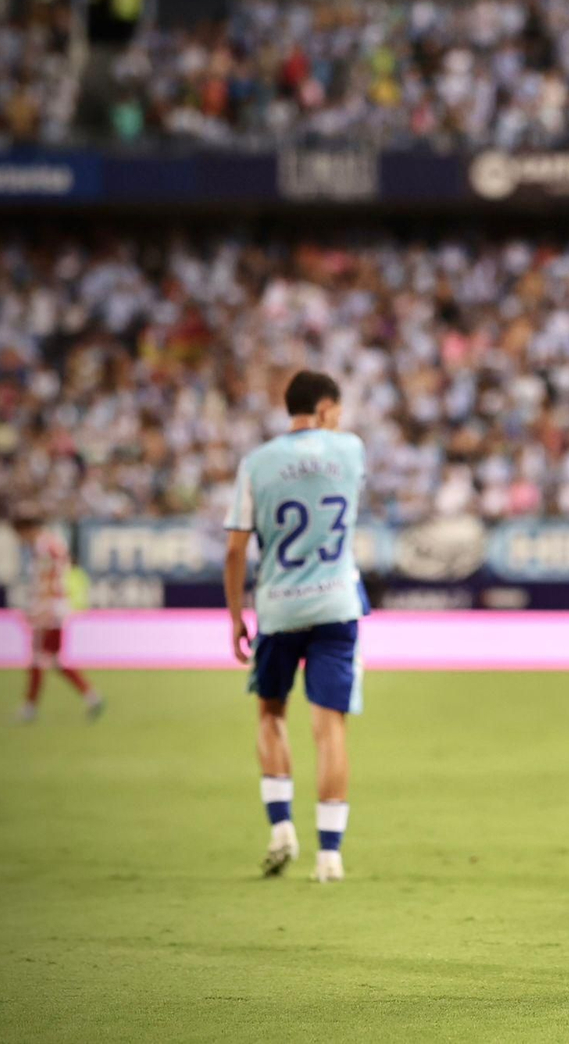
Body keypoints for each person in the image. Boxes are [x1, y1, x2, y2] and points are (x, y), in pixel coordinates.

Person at [223, 371, 368, 883]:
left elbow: (237, 546)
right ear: (327, 408)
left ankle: (282, 827)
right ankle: (330, 855)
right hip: (335, 603)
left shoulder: (256, 464)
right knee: (329, 728)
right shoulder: (350, 451)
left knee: (271, 713)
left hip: (279, 606)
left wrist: (237, 614)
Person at [12, 510, 102, 724]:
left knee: (40, 658)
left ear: (27, 530)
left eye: (20, 534)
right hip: (55, 607)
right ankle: (90, 697)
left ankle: (30, 707)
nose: (20, 539)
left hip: (50, 609)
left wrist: (39, 608)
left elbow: (49, 580)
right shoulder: (52, 544)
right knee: (50, 659)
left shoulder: (44, 547)